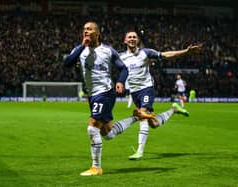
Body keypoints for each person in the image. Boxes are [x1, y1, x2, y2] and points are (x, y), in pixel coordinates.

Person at [64, 22, 146, 176]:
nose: (86, 31)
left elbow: (123, 68)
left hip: (106, 93)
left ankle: (96, 167)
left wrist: (121, 81)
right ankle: (136, 117)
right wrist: (82, 46)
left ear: (98, 33)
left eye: (89, 29)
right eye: (84, 29)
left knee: (92, 127)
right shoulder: (79, 50)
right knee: (108, 134)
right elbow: (67, 63)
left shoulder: (108, 51)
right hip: (92, 95)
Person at [119, 31, 201, 160]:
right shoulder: (121, 57)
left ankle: (140, 151)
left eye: (134, 37)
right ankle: (174, 109)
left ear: (138, 40)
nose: (132, 39)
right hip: (134, 92)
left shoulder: (145, 52)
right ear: (125, 40)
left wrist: (186, 51)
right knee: (154, 123)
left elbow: (166, 55)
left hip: (146, 88)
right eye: (129, 37)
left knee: (142, 114)